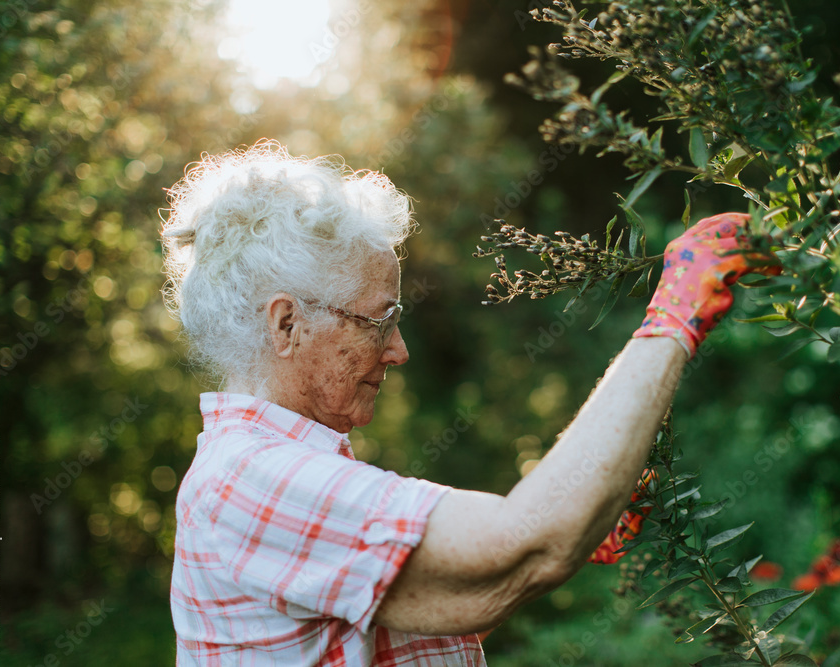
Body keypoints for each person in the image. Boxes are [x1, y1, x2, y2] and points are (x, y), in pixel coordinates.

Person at [161, 140, 778, 666]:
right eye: (377, 321)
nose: (397, 350)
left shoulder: (260, 472)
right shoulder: (252, 480)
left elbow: (433, 615)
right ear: (287, 324)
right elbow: (524, 541)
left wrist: (574, 531)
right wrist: (674, 315)